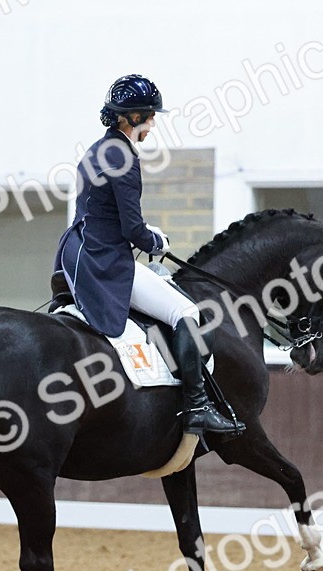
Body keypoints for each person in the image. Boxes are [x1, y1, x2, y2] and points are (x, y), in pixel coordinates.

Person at [52, 74, 242, 437]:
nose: (154, 123)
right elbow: (132, 230)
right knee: (185, 311)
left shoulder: (96, 151)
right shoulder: (125, 158)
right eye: (150, 116)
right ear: (132, 118)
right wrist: (155, 242)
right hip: (105, 260)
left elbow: (102, 212)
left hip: (77, 253)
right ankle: (197, 408)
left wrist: (145, 231)